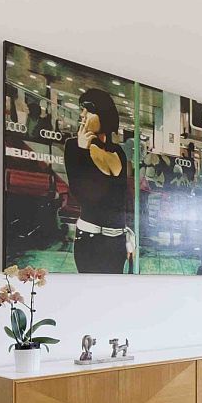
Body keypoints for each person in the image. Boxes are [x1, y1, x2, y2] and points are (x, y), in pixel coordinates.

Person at [63, 88, 134, 273]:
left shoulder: (118, 151)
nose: (82, 115)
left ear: (104, 114)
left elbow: (122, 200)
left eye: (88, 109)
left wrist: (129, 237)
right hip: (90, 238)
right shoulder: (73, 147)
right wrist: (82, 152)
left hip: (118, 240)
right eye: (82, 109)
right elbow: (81, 193)